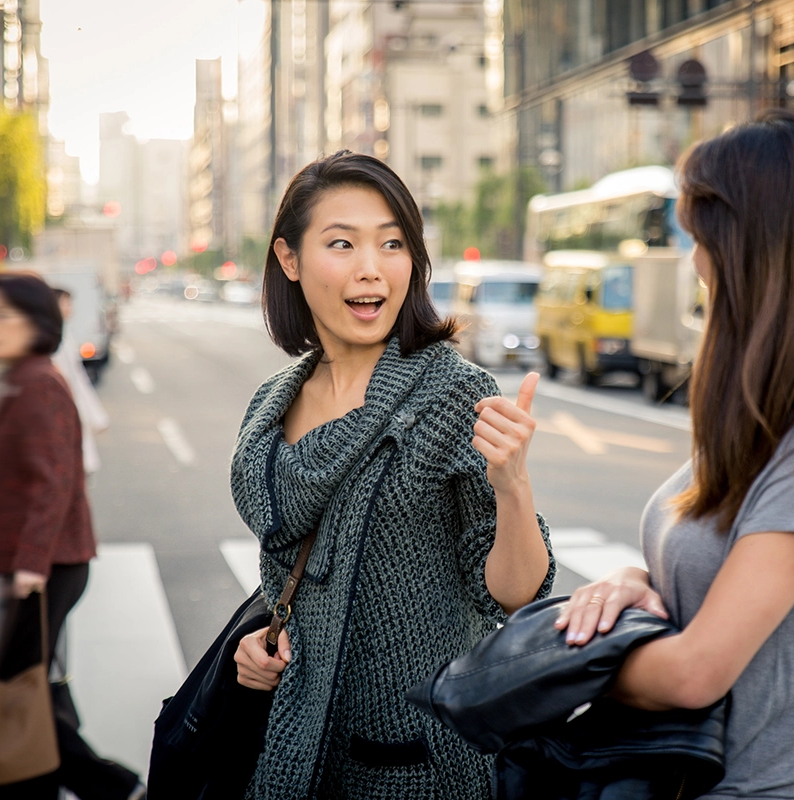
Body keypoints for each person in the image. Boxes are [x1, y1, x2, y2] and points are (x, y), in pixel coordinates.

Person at [555, 110, 794, 800]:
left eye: (701, 239)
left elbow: (697, 671)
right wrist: (633, 582)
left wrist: (555, 660)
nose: (695, 263)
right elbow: (711, 584)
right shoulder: (774, 419)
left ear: (755, 250)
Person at [230, 151, 554, 799]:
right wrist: (260, 646)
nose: (371, 268)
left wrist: (512, 484)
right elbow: (294, 576)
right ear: (289, 260)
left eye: (392, 243)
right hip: (296, 750)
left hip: (414, 766)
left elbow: (516, 594)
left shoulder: (451, 394)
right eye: (342, 244)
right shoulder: (273, 402)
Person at [0, 272, 143, 800]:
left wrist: (29, 565)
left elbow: (52, 484)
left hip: (50, 566)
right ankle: (98, 785)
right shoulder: (26, 378)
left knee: (16, 688)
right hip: (44, 564)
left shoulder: (38, 384)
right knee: (28, 687)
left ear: (34, 323)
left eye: (1, 317)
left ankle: (110, 786)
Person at [52, 287, 110, 476]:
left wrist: (96, 417)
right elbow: (72, 380)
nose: (70, 308)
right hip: (66, 414)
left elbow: (78, 380)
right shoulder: (53, 339)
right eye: (66, 303)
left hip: (72, 412)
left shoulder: (63, 335)